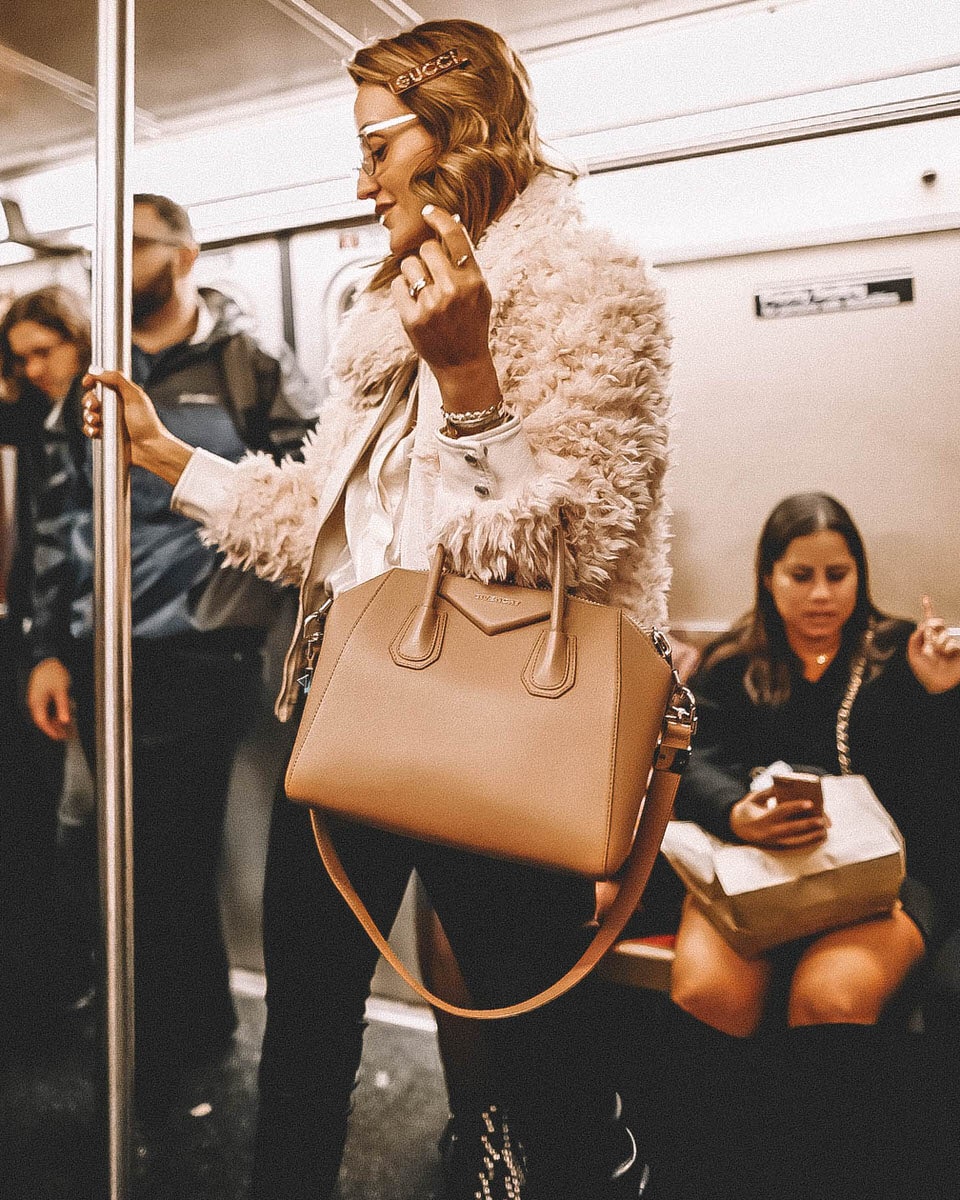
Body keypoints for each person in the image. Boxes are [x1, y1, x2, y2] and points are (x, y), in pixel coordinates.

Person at [79, 20, 672, 1199]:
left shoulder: (595, 292)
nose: (359, 178)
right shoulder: (383, 308)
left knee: (537, 1054)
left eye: (376, 144)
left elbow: (568, 551)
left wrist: (470, 384)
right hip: (353, 713)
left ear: (455, 135)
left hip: (506, 734)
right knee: (302, 1032)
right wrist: (164, 458)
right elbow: (327, 524)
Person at [26, 195, 318, 1118]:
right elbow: (60, 514)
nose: (112, 259)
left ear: (185, 253)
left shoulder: (250, 361)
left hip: (202, 643)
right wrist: (47, 646)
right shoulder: (99, 369)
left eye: (134, 243)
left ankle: (174, 1039)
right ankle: (164, 1027)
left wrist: (256, 609)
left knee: (169, 849)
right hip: (99, 646)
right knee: (115, 845)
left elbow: (305, 493)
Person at [668, 491, 960, 1198]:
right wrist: (738, 811)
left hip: (882, 880)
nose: (822, 593)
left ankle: (818, 1175)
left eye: (839, 574)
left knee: (831, 995)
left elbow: (934, 800)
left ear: (861, 575)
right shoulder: (736, 660)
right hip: (754, 869)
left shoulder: (900, 656)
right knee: (709, 990)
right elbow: (688, 763)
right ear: (769, 576)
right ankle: (717, 1171)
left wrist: (937, 697)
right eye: (802, 575)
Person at [0, 285, 92, 1025]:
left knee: (57, 814)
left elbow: (57, 541)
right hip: (32, 638)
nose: (32, 370)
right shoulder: (28, 412)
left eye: (42, 351)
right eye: (18, 359)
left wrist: (46, 644)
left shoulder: (67, 421)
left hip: (57, 639)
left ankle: (57, 974)